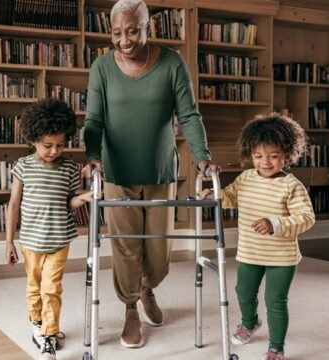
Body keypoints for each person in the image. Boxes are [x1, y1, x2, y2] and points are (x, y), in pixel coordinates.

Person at [82, 0, 217, 348]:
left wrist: (202, 157)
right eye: (116, 33)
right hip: (116, 173)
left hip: (160, 171)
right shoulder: (101, 68)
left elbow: (189, 115)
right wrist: (93, 156)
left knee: (158, 251)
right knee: (126, 246)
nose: (124, 40)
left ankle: (147, 288)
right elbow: (94, 120)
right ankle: (130, 309)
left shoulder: (172, 62)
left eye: (131, 30)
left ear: (147, 28)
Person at [200, 113, 315, 360]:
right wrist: (213, 194)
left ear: (287, 155)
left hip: (281, 257)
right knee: (243, 292)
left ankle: (276, 348)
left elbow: (306, 218)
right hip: (250, 252)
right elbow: (229, 196)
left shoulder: (291, 186)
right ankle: (250, 323)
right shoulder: (246, 178)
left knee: (275, 300)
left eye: (273, 156)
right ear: (250, 155)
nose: (265, 162)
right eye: (259, 156)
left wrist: (275, 223)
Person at [5, 98, 95, 360]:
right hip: (31, 241)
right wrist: (9, 242)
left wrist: (83, 198)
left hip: (60, 239)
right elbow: (13, 206)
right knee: (34, 287)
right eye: (47, 145)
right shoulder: (23, 166)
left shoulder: (69, 168)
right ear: (33, 139)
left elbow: (70, 200)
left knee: (51, 288)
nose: (54, 151)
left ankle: (49, 335)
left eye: (60, 145)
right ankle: (36, 321)